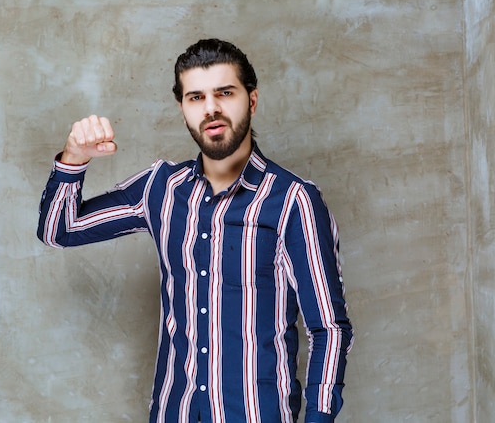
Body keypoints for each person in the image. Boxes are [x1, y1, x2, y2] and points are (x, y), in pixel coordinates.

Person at [37, 38, 353, 423]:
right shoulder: (161, 188)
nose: (211, 109)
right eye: (195, 97)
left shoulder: (293, 202)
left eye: (225, 93)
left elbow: (329, 329)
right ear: (182, 109)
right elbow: (59, 229)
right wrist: (75, 158)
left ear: (251, 101)